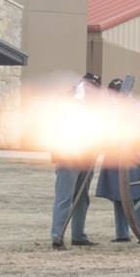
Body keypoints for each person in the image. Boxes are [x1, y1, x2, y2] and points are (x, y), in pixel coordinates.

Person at [50, 72, 101, 250]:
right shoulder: (67, 102)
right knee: (65, 197)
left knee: (82, 198)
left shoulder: (96, 106)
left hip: (87, 155)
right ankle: (57, 235)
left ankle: (78, 235)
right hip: (68, 154)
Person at [94, 77, 140, 242]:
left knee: (137, 196)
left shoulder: (136, 107)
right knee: (118, 195)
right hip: (113, 155)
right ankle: (122, 233)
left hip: (133, 155)